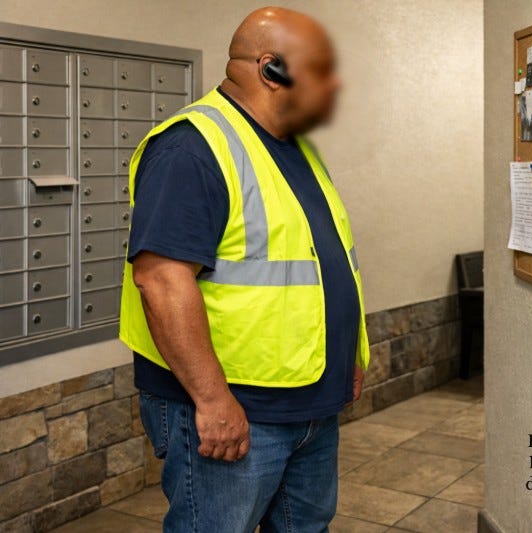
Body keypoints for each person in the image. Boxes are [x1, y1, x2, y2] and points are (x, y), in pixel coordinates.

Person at [118, 7, 369, 532]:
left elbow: (318, 266)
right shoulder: (191, 148)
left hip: (310, 405)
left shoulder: (295, 148)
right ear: (271, 68)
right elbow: (161, 280)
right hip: (235, 412)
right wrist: (212, 401)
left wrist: (347, 355)